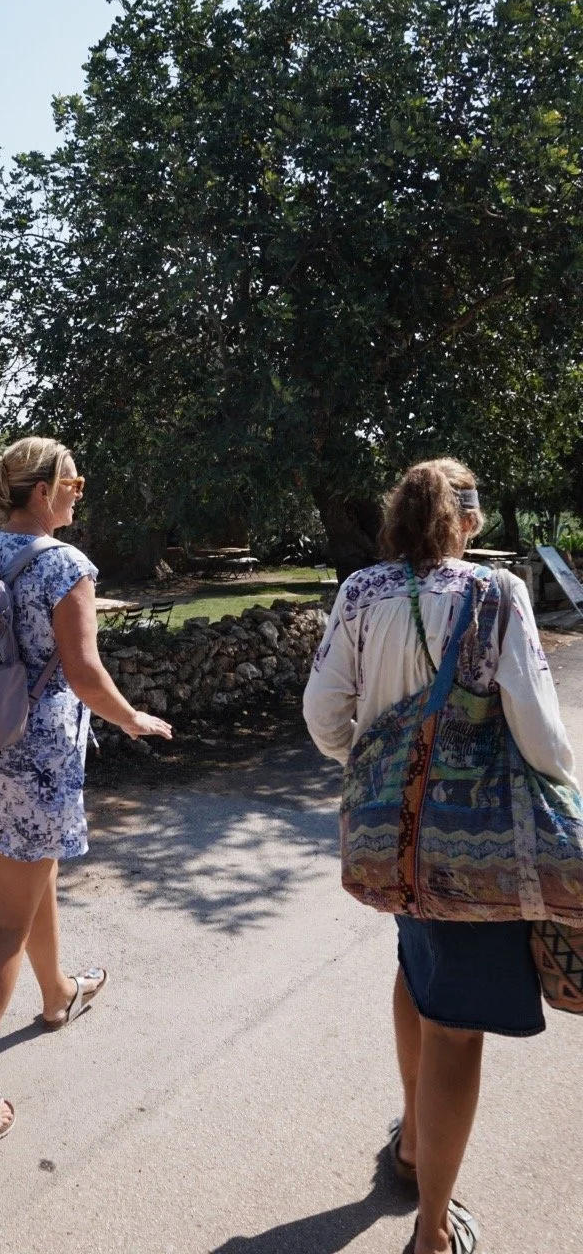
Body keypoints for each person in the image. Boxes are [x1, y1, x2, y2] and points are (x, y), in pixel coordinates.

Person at [304, 458, 577, 1254]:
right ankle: (431, 1230)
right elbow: (537, 730)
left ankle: (417, 1144)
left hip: (394, 844)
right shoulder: (497, 595)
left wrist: (384, 760)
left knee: (416, 968)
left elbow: (325, 718)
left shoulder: (360, 593)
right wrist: (565, 795)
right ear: (467, 519)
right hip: (475, 848)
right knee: (457, 1029)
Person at [0, 436, 173, 1151]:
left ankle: (57, 996)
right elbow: (83, 672)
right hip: (38, 758)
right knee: (3, 925)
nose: (81, 489)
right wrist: (133, 718)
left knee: (27, 870)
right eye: (74, 479)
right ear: (43, 489)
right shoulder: (67, 565)